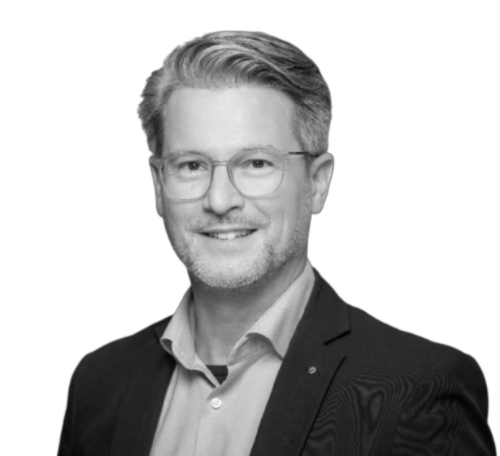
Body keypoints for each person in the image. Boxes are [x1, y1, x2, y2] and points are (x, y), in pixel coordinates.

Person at [57, 31, 495, 455]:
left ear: (317, 183)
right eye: (191, 165)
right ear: (158, 185)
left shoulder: (416, 390)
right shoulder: (98, 382)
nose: (219, 200)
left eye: (256, 163)